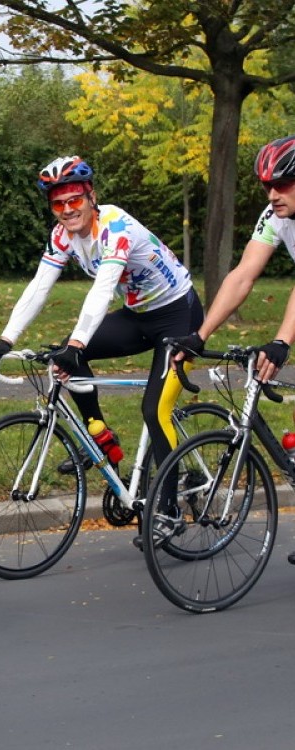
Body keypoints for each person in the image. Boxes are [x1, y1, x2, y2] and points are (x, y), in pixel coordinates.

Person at [0, 155, 203, 544]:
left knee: (155, 409)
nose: (67, 211)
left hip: (178, 317)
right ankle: (100, 438)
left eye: (74, 201)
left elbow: (102, 288)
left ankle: (168, 509)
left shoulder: (115, 226)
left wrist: (77, 342)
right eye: (58, 204)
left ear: (91, 196)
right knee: (68, 353)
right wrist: (6, 338)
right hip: (138, 314)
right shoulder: (62, 234)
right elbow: (40, 285)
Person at [172, 135, 295, 560]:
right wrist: (200, 334)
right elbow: (243, 275)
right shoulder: (274, 214)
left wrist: (281, 340)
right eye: (266, 186)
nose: (274, 194)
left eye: (284, 184)